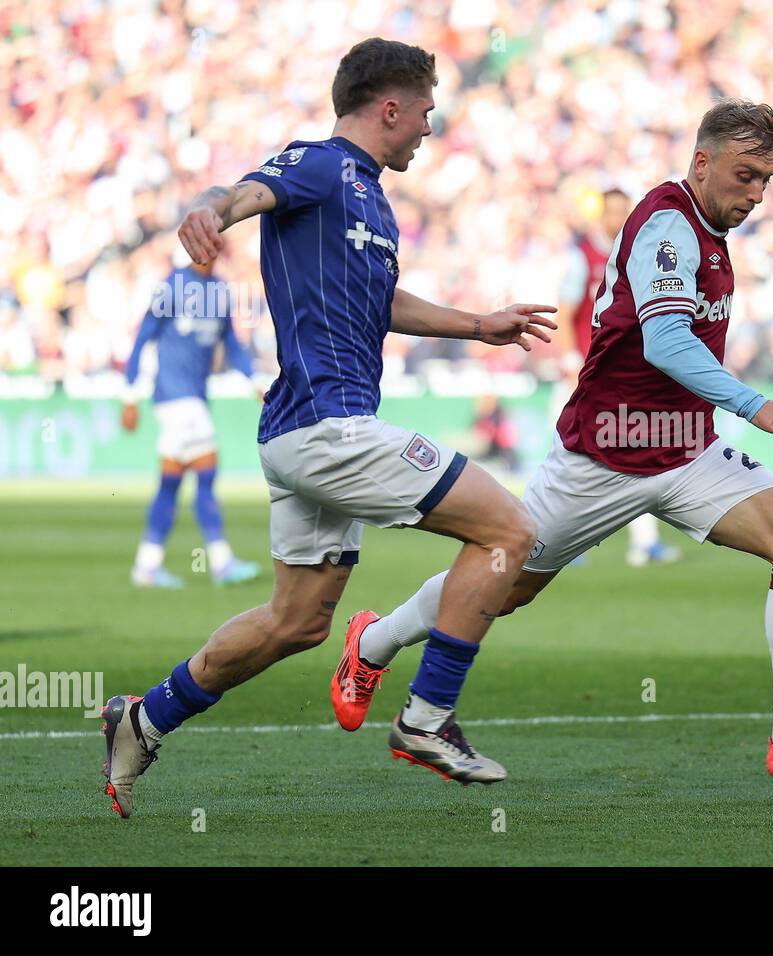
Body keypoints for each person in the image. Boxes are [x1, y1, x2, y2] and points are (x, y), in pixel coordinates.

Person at [99, 38, 557, 817]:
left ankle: (142, 720)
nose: (427, 129)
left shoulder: (372, 202)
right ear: (389, 108)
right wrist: (207, 210)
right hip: (330, 428)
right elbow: (240, 191)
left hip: (303, 436)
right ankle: (426, 718)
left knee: (298, 621)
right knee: (512, 531)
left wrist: (479, 325)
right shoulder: (323, 164)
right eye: (424, 114)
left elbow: (383, 303)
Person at [335, 98, 773, 780]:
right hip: (604, 455)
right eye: (744, 175)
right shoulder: (669, 225)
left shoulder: (711, 230)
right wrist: (753, 404)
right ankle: (374, 639)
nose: (755, 194)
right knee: (505, 586)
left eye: (765, 181)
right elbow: (664, 342)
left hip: (688, 450)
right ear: (701, 162)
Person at [555, 188, 681, 568]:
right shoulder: (583, 258)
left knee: (629, 451)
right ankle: (559, 538)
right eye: (613, 212)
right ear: (601, 215)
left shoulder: (637, 252)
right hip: (584, 372)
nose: (618, 218)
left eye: (624, 211)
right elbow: (566, 310)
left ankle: (644, 542)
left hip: (620, 374)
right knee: (570, 456)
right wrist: (568, 356)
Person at [122, 252, 262, 588]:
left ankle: (147, 565)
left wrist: (254, 381)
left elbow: (231, 344)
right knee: (206, 472)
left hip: (194, 397)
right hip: (175, 396)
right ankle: (221, 561)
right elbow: (143, 338)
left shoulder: (218, 290)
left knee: (171, 483)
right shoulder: (171, 287)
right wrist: (130, 395)